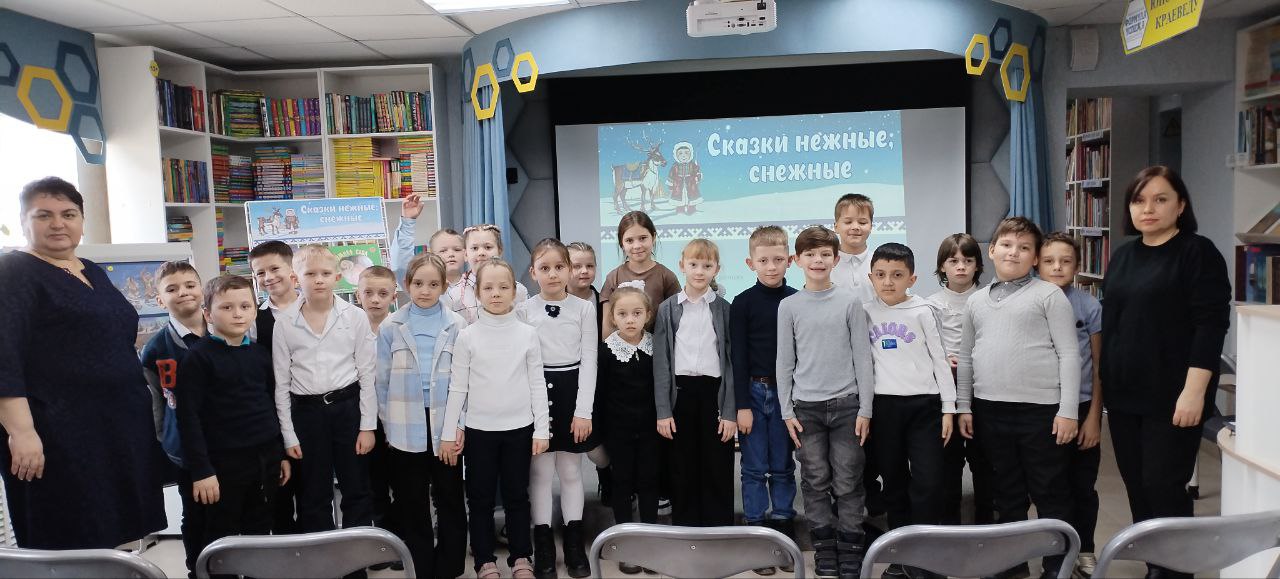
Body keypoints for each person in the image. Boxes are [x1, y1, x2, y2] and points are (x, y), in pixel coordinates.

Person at [0, 176, 167, 549]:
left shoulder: (90, 269)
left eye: (68, 214)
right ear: (24, 221)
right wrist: (22, 433)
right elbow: (4, 356)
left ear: (81, 220)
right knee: (71, 536)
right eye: (43, 215)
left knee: (118, 534)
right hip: (58, 433)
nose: (58, 223)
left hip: (115, 428)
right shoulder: (13, 272)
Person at [1100, 166, 1230, 579]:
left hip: (1173, 395)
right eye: (1139, 200)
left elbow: (1211, 326)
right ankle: (1156, 564)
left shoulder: (1197, 252)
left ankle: (1176, 570)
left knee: (1163, 485)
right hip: (1125, 394)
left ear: (1181, 205)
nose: (1148, 208)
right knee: (1137, 485)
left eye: (1160, 199)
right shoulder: (1123, 255)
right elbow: (1115, 324)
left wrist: (1194, 392)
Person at [956, 217, 1080, 579]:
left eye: (1025, 248)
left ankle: (1057, 565)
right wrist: (964, 405)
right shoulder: (976, 301)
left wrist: (1068, 411)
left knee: (1049, 490)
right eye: (1007, 245)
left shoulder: (1049, 295)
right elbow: (966, 357)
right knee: (1006, 491)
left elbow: (1069, 354)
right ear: (992, 250)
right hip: (990, 409)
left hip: (1041, 412)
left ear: (1036, 258)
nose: (1014, 252)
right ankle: (1013, 564)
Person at [439, 258, 550, 579]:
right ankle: (484, 560)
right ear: (477, 293)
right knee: (480, 498)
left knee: (517, 496)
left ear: (515, 291)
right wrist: (449, 433)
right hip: (479, 432)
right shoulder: (467, 336)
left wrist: (541, 429)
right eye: (488, 287)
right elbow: (458, 388)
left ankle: (521, 557)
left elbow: (537, 383)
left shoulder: (527, 334)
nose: (496, 293)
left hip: (519, 430)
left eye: (503, 287)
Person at [777, 225, 874, 579]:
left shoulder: (850, 301)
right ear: (797, 259)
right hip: (806, 408)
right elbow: (784, 361)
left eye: (824, 254)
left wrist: (866, 408)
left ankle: (850, 546)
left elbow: (863, 357)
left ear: (835, 259)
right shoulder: (789, 306)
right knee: (815, 479)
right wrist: (786, 410)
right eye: (810, 254)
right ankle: (824, 548)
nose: (817, 260)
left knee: (848, 479)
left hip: (847, 405)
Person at [176, 275, 289, 562]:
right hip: (221, 465)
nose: (237, 314)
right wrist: (202, 471)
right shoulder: (198, 358)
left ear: (254, 310)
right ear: (207, 314)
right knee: (219, 533)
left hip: (264, 460)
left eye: (245, 306)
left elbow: (269, 405)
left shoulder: (260, 354)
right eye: (227, 307)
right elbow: (188, 418)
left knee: (259, 527)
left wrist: (279, 454)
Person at [862, 243, 955, 579]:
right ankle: (901, 555)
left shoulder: (924, 311)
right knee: (894, 482)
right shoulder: (864, 312)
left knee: (929, 481)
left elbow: (940, 360)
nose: (888, 281)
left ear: (912, 279)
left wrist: (948, 408)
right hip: (884, 408)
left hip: (924, 407)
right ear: (871, 277)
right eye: (881, 275)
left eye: (897, 275)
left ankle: (927, 556)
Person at [374, 253, 468, 578]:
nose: (425, 291)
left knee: (450, 497)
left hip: (446, 425)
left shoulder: (457, 325)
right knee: (411, 500)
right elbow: (381, 381)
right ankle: (422, 567)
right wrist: (388, 428)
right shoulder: (391, 326)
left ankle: (449, 566)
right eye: (418, 284)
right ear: (406, 285)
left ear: (443, 286)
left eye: (432, 284)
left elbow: (464, 381)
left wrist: (459, 426)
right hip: (405, 425)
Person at [272, 244, 377, 538]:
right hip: (307, 414)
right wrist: (289, 435)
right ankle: (321, 555)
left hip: (348, 409)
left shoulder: (355, 317)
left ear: (337, 277)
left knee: (356, 486)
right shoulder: (285, 323)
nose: (319, 280)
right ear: (296, 278)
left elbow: (367, 374)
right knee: (314, 491)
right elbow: (281, 384)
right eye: (310, 274)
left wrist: (367, 426)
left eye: (325, 273)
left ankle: (356, 553)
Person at [518, 238, 599, 579]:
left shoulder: (584, 308)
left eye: (559, 267)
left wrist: (583, 411)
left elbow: (590, 360)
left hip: (572, 392)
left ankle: (574, 544)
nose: (552, 274)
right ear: (533, 272)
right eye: (545, 268)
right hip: (536, 393)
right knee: (539, 473)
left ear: (569, 270)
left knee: (570, 471)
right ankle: (544, 546)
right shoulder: (524, 309)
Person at [729, 225, 798, 576]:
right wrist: (741, 405)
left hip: (788, 394)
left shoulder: (797, 299)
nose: (771, 267)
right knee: (754, 468)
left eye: (778, 260)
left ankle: (783, 537)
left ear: (790, 260)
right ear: (750, 263)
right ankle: (756, 537)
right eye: (764, 260)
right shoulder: (742, 303)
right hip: (754, 394)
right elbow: (738, 358)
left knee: (783, 466)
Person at [654, 238, 736, 527]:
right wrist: (663, 411)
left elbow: (730, 362)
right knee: (682, 463)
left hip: (714, 393)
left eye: (707, 265)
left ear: (717, 269)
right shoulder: (667, 309)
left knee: (717, 461)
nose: (700, 271)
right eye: (693, 264)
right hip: (680, 393)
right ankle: (686, 527)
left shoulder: (724, 309)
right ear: (682, 266)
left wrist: (729, 412)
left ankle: (719, 527)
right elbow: (661, 363)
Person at [1038, 232, 1104, 579]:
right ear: (1036, 264)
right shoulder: (1030, 302)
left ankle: (1085, 550)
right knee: (1051, 487)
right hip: (1042, 408)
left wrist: (1094, 418)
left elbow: (1098, 365)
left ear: (1077, 266)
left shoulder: (1088, 306)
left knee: (1082, 486)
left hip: (1081, 406)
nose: (1057, 267)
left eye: (1065, 261)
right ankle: (1056, 554)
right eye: (1049, 261)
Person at [140, 261, 208, 577]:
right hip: (185, 450)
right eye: (172, 289)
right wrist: (163, 440)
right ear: (159, 299)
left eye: (190, 285)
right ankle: (198, 571)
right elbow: (155, 402)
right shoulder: (155, 349)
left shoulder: (227, 331)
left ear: (202, 290)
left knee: (239, 512)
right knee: (195, 515)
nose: (183, 293)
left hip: (231, 443)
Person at [925, 233, 995, 525]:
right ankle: (949, 524)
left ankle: (986, 521)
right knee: (948, 459)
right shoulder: (930, 304)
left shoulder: (989, 299)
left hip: (982, 386)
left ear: (978, 265)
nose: (961, 267)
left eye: (968, 260)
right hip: (946, 388)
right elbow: (927, 346)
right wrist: (942, 359)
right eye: (953, 261)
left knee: (984, 458)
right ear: (942, 266)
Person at [596, 286, 661, 575]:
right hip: (618, 431)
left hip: (650, 430)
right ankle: (626, 542)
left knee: (649, 482)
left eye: (637, 313)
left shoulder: (655, 346)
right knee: (622, 484)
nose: (630, 319)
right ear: (613, 317)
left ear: (648, 315)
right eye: (622, 314)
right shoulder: (606, 350)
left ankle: (650, 540)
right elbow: (600, 394)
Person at [248, 240, 301, 534]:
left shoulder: (313, 307)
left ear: (292, 269)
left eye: (274, 268)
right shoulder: (255, 319)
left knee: (312, 488)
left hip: (310, 409)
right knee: (280, 489)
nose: (268, 277)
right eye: (260, 272)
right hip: (273, 415)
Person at [354, 264, 400, 571]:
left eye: (383, 293)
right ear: (358, 295)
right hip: (366, 421)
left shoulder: (399, 328)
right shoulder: (352, 329)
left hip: (398, 418)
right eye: (368, 293)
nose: (375, 299)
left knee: (403, 483)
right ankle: (381, 546)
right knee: (374, 484)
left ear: (394, 296)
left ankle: (400, 542)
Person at [567, 241, 613, 502]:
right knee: (583, 444)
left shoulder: (604, 300)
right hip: (567, 382)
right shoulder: (552, 300)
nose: (583, 271)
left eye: (589, 265)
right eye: (576, 266)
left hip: (602, 380)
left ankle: (609, 478)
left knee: (603, 440)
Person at [600, 211, 681, 338]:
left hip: (657, 348)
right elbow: (607, 324)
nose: (637, 246)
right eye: (629, 240)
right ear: (621, 243)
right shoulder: (613, 278)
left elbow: (677, 321)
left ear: (653, 237)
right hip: (620, 349)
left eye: (643, 238)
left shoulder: (666, 276)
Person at [446, 224, 529, 324]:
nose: (481, 252)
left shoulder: (518, 291)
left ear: (500, 251)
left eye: (488, 247)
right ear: (466, 254)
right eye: (475, 248)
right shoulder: (454, 295)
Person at [830, 193, 876, 304]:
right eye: (848, 222)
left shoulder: (879, 262)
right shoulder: (827, 264)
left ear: (871, 226)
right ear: (836, 227)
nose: (855, 227)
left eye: (862, 222)